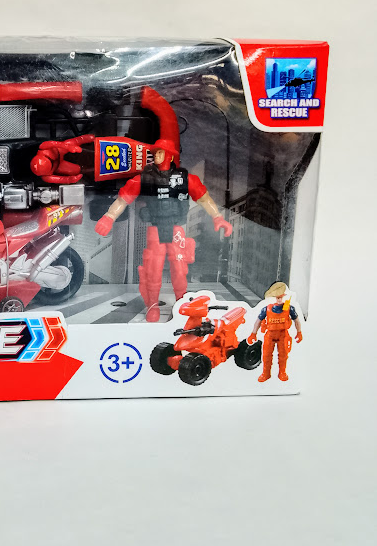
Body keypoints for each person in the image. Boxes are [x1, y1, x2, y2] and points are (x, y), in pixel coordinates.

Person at [95, 86, 232, 322]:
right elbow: (123, 198)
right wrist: (108, 218)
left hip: (177, 229)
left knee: (179, 270)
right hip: (155, 230)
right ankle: (152, 306)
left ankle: (182, 304)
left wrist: (218, 217)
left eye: (160, 152)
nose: (156, 155)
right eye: (155, 152)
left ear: (168, 155)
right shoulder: (144, 179)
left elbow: (204, 198)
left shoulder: (185, 179)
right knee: (153, 269)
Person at [248, 282, 303, 382]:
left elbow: (297, 320)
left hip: (283, 334)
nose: (279, 300)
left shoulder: (289, 308)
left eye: (281, 297)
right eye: (277, 297)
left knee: (283, 355)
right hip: (270, 334)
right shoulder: (266, 309)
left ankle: (282, 372)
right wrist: (253, 334)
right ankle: (266, 373)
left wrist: (299, 332)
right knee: (266, 355)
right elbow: (258, 321)